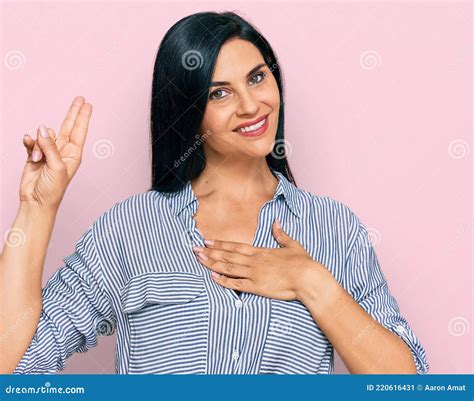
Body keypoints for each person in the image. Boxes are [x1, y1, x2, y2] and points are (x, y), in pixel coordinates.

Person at [0, 11, 429, 375]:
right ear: (188, 111)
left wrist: (310, 281)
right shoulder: (131, 229)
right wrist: (37, 208)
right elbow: (13, 366)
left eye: (257, 78)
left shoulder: (334, 228)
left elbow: (409, 387)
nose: (250, 105)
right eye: (220, 92)